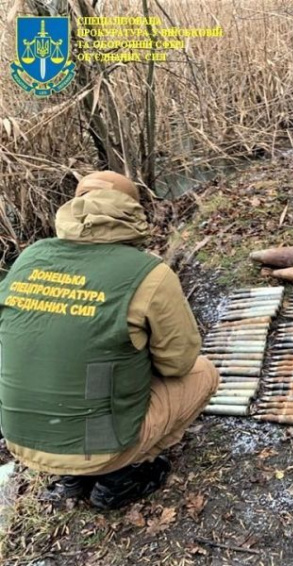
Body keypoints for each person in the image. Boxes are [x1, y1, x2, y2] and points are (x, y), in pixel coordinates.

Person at [0, 171, 219, 510]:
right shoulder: (149, 274)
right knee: (203, 372)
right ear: (131, 211)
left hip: (21, 438)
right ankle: (120, 477)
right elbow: (178, 362)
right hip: (99, 443)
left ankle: (73, 478)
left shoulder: (28, 259)